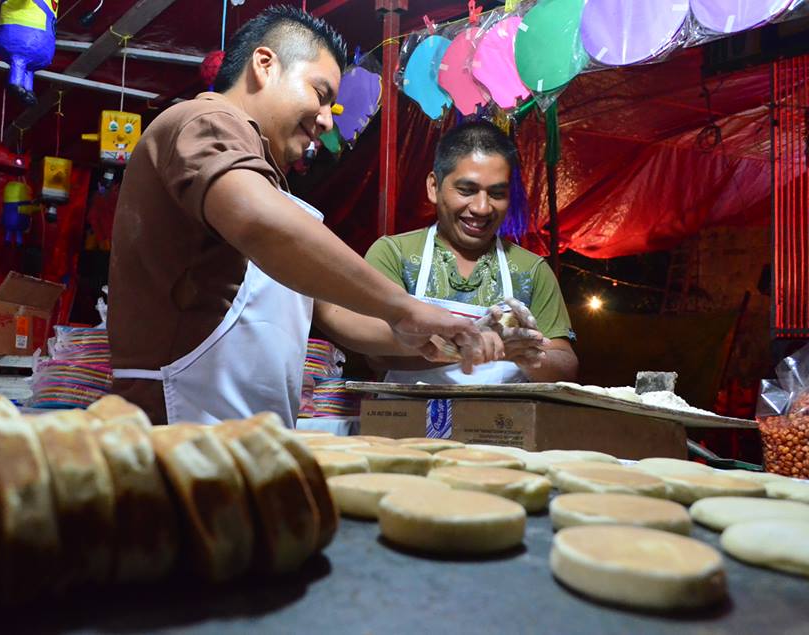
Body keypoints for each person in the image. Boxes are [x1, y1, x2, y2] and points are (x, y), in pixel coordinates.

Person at [107, 6, 495, 426]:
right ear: (264, 65)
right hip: (179, 429)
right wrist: (402, 307)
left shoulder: (263, 178)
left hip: (237, 436)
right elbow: (260, 222)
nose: (327, 119)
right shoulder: (204, 120)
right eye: (320, 93)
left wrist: (440, 334)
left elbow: (334, 312)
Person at [364, 120, 578, 384]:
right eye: (467, 190)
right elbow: (376, 354)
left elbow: (566, 366)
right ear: (434, 187)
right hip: (410, 422)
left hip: (502, 423)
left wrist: (527, 351)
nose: (482, 208)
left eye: (497, 193)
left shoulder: (531, 271)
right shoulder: (394, 254)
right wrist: (470, 347)